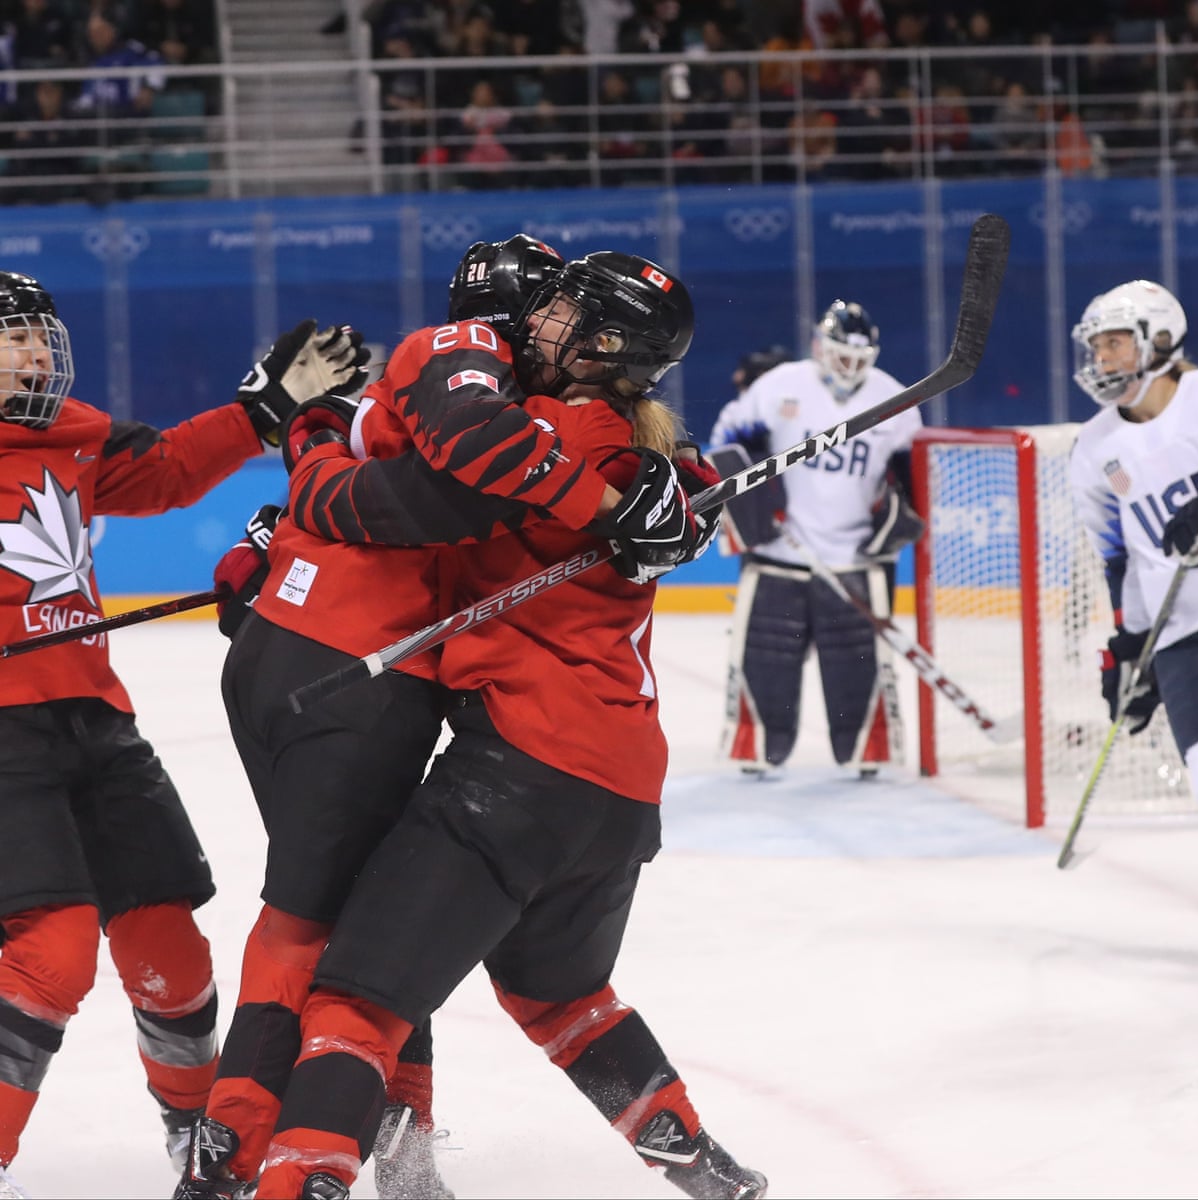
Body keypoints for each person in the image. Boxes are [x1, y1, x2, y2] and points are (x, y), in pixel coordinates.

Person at [173, 237, 704, 1200]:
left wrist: (298, 472)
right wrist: (650, 503)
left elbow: (364, 488)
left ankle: (368, 1160)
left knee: (362, 919)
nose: (545, 322)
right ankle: (241, 1151)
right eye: (544, 305)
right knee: (326, 929)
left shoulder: (506, 390)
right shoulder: (487, 379)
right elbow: (426, 494)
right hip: (367, 669)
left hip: (295, 647)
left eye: (566, 311)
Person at [0, 270, 363, 1198]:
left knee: (172, 951)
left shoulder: (69, 432)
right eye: (15, 340)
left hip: (95, 722)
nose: (37, 353)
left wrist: (269, 408)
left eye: (41, 335)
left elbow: (159, 471)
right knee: (52, 950)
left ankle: (201, 1142)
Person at [709, 301, 924, 779]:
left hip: (852, 561)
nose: (850, 367)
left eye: (860, 358)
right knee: (765, 662)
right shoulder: (781, 384)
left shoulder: (893, 398)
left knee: (856, 670)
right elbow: (726, 445)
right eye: (841, 355)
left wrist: (898, 517)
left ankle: (865, 752)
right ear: (818, 347)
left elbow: (913, 479)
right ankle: (760, 749)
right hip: (778, 555)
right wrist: (757, 504)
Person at [1068, 279, 1198, 799]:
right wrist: (1129, 645)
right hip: (1179, 639)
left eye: (1115, 343)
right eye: (1096, 347)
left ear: (1160, 339)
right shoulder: (1094, 448)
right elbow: (1118, 559)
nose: (1102, 359)